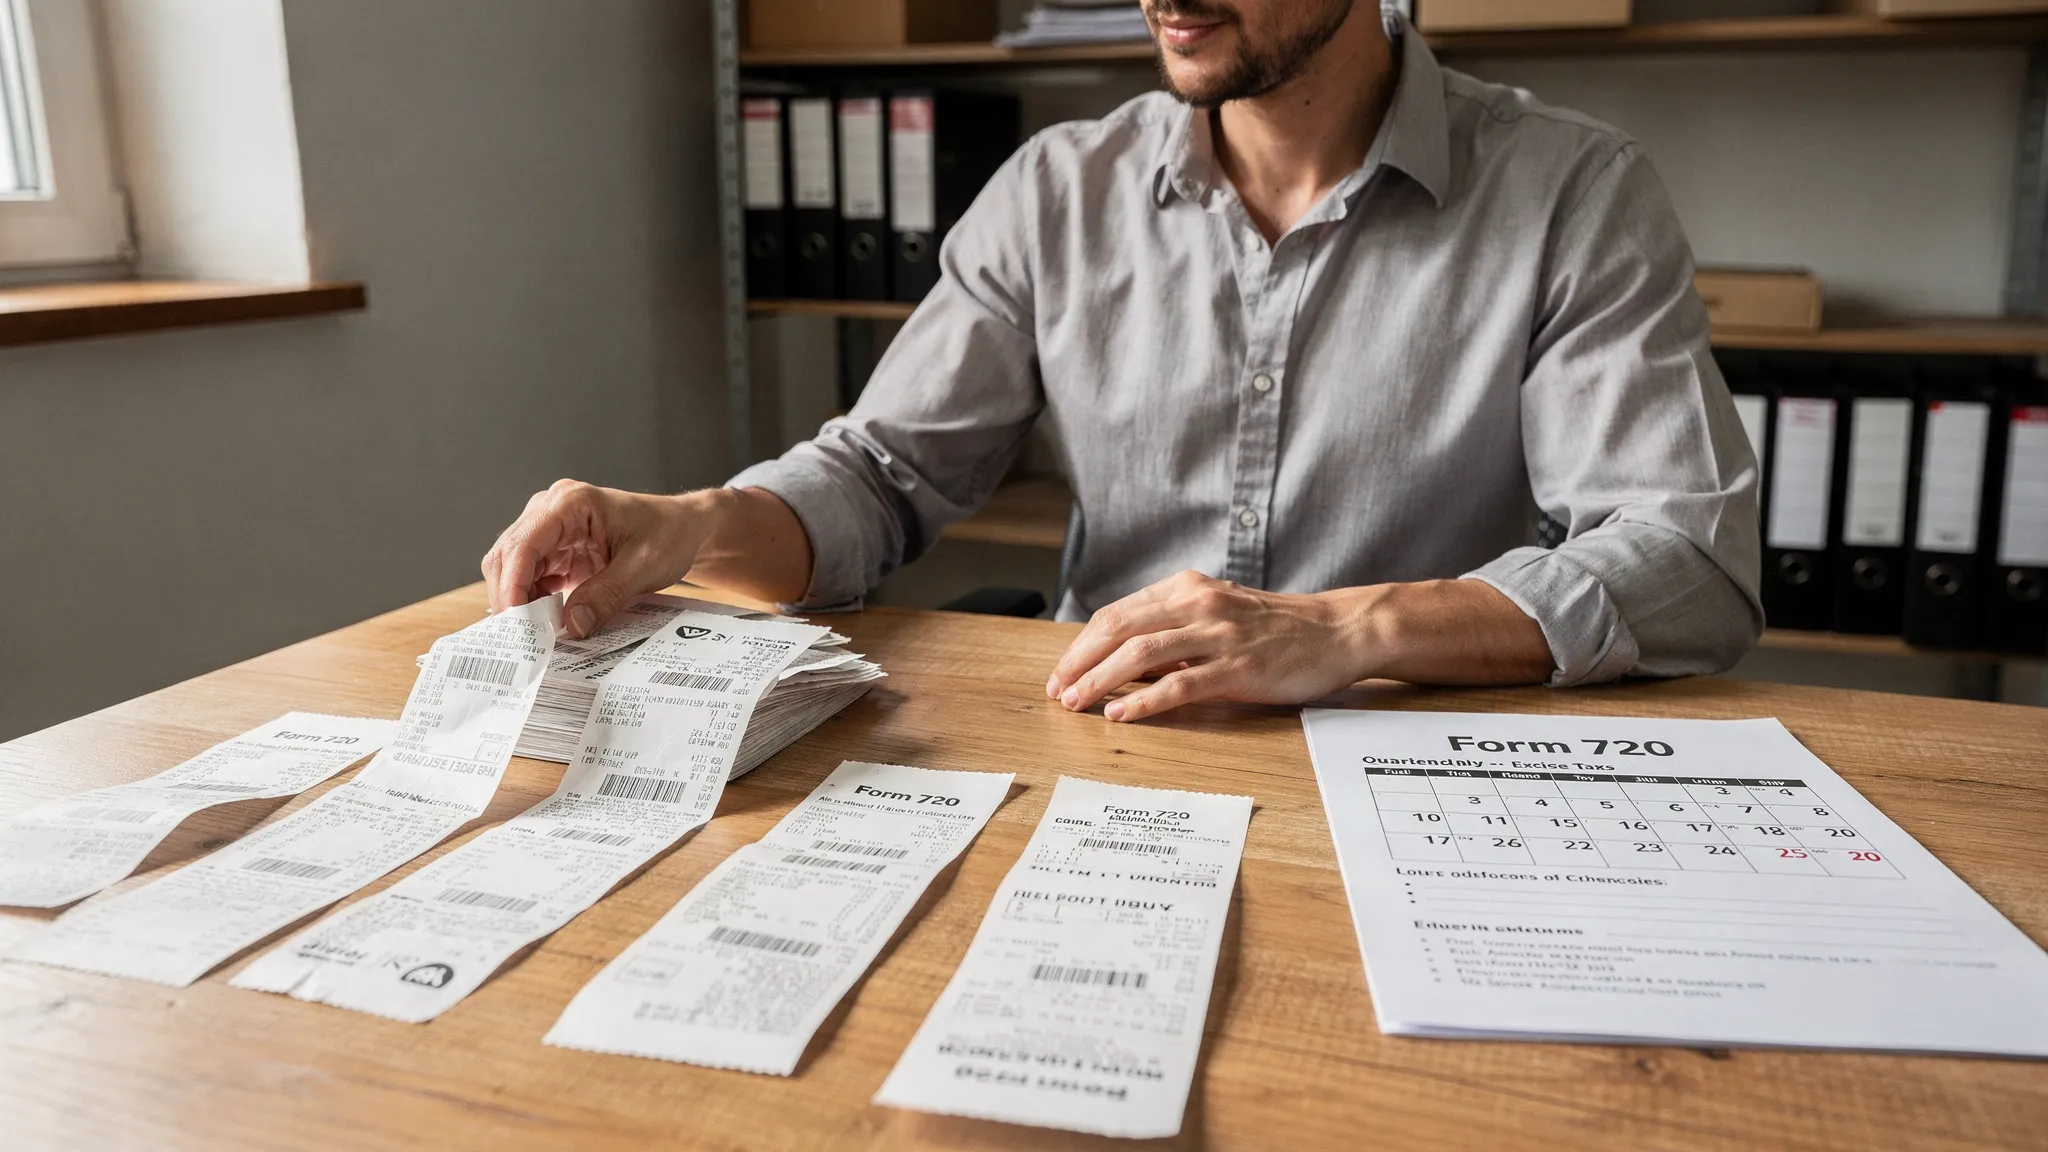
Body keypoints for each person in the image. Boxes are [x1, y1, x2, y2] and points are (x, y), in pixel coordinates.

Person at [483, 0, 1761, 723]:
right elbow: (879, 477)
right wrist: (691, 522)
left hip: (1405, 756)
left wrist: (1339, 630)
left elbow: (1688, 562)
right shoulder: (1057, 190)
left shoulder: (1573, 191)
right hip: (1103, 743)